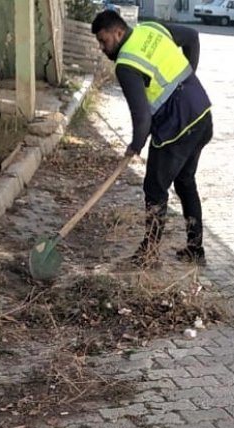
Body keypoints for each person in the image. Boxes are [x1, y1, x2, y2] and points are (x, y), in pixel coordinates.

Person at [92, 10, 214, 266]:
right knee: (185, 181)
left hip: (177, 128)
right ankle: (195, 249)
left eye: (104, 41)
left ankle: (149, 253)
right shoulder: (151, 29)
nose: (103, 48)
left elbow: (142, 117)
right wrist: (188, 77)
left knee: (155, 189)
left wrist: (135, 145)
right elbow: (192, 37)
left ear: (118, 32)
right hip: (202, 113)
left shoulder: (126, 64)